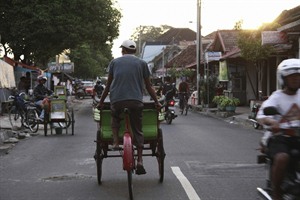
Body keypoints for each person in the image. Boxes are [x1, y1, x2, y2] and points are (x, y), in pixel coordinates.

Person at [97, 39, 161, 175]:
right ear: (134, 51)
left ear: (123, 50)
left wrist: (101, 102)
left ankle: (115, 141)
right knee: (138, 129)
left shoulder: (114, 62)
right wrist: (157, 102)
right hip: (135, 101)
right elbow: (149, 86)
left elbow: (108, 86)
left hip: (117, 100)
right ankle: (140, 161)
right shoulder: (142, 63)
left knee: (115, 116)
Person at [256, 58, 300, 200]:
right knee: (282, 158)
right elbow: (261, 115)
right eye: (292, 76)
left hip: (298, 137)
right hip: (280, 137)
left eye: (298, 76)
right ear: (283, 78)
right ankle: (277, 193)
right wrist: (271, 122)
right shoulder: (277, 97)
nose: (295, 79)